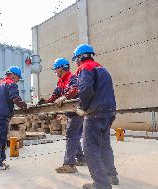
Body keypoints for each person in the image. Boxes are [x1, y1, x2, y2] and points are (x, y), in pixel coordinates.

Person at [72, 44, 119, 189]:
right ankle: (111, 176)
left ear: (80, 57)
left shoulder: (84, 68)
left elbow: (85, 89)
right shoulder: (103, 69)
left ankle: (101, 184)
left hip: (95, 113)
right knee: (104, 145)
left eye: (76, 60)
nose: (76, 63)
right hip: (109, 112)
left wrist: (83, 108)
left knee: (90, 148)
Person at [38, 58, 86, 174]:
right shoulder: (60, 82)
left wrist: (65, 97)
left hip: (77, 112)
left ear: (61, 68)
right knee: (73, 136)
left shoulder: (72, 78)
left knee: (71, 135)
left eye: (56, 70)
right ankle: (81, 158)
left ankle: (69, 164)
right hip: (70, 113)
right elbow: (55, 96)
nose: (55, 72)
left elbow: (74, 89)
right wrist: (45, 102)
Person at [0, 66, 27, 170]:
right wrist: (24, 106)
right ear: (14, 75)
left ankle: (0, 161)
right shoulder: (11, 84)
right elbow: (15, 99)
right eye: (18, 78)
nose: (17, 81)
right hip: (2, 115)